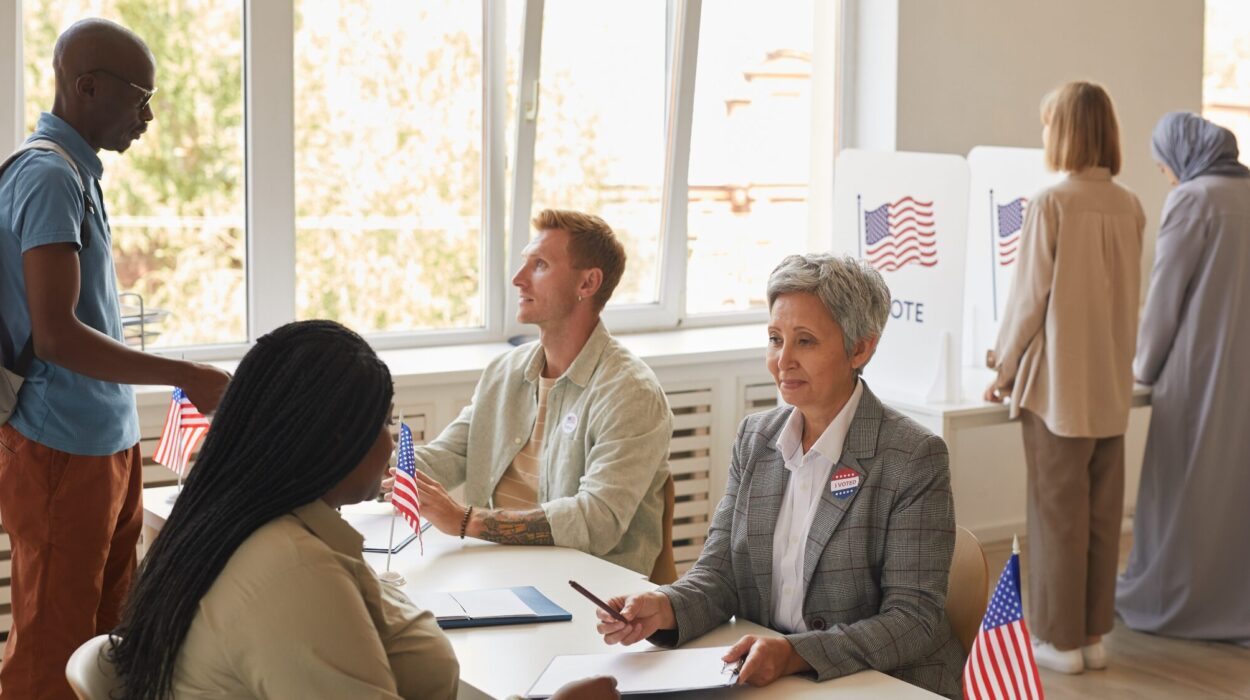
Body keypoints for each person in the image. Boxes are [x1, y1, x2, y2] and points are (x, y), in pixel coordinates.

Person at [109, 320, 620, 700]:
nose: (393, 439)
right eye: (384, 422)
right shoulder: (291, 570)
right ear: (335, 440)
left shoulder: (236, 521)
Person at [595, 254, 965, 699]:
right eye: (775, 339)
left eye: (805, 342)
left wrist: (796, 652)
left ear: (860, 348)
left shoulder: (913, 456)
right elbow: (720, 574)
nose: (782, 361)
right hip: (772, 680)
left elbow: (913, 620)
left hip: (880, 683)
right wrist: (665, 606)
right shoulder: (756, 437)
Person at [0, 18, 230, 699]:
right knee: (50, 659)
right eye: (139, 97)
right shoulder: (47, 176)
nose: (149, 116)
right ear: (87, 86)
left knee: (104, 651)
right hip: (57, 450)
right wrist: (186, 376)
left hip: (105, 445)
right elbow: (57, 335)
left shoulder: (78, 173)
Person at [399, 209, 671, 577]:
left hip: (591, 590)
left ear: (587, 284)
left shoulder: (630, 393)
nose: (517, 279)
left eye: (539, 265)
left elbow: (597, 520)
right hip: (500, 570)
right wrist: (365, 463)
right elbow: (449, 456)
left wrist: (467, 521)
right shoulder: (505, 371)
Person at [985, 81, 1144, 674]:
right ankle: (1093, 636)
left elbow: (1028, 301)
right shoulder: (1129, 204)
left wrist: (1001, 367)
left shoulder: (1052, 203)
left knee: (1056, 517)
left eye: (1049, 124)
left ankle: (1058, 640)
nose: (1044, 134)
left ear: (1067, 131)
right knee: (1103, 516)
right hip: (1111, 386)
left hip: (1059, 392)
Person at [1115, 112, 1250, 646]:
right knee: (1236, 487)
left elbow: (1166, 298)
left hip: (1199, 370)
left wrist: (1142, 368)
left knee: (1182, 486)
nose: (1167, 178)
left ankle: (1175, 599)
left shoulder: (1195, 200)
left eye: (1163, 167)